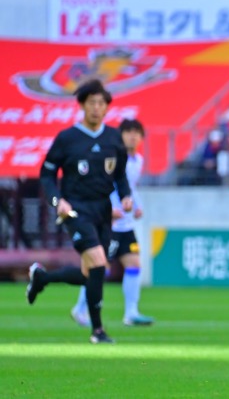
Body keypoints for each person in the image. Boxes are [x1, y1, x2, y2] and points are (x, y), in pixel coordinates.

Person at [27, 79, 132, 344]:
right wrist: (57, 201)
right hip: (75, 209)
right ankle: (98, 331)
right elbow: (47, 174)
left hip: (103, 209)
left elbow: (120, 175)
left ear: (107, 107)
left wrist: (126, 196)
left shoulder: (113, 138)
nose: (97, 108)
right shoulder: (67, 138)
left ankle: (42, 278)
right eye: (92, 103)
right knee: (98, 262)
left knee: (93, 272)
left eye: (101, 103)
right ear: (82, 106)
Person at [71, 118, 155, 328]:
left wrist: (138, 205)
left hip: (125, 225)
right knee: (100, 267)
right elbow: (101, 185)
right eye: (128, 132)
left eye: (137, 132)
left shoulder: (138, 160)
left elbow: (131, 187)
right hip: (108, 224)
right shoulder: (112, 158)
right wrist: (107, 209)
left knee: (134, 264)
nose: (133, 136)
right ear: (120, 135)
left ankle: (131, 313)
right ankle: (80, 308)